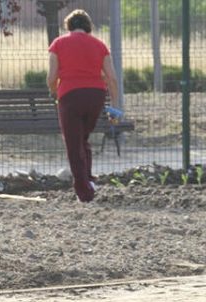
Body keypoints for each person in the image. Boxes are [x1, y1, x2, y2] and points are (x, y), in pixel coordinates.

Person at [47, 9, 121, 203]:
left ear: (69, 26)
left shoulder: (58, 44)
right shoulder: (100, 45)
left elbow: (51, 77)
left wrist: (54, 91)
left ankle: (84, 193)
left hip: (70, 96)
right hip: (96, 96)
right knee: (83, 139)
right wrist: (114, 106)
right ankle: (88, 179)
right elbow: (112, 78)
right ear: (88, 26)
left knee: (73, 144)